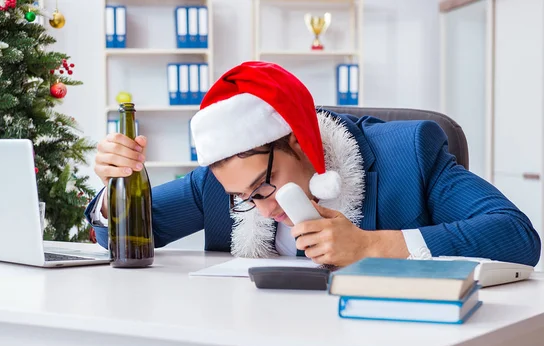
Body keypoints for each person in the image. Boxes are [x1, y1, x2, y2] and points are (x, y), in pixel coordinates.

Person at [86, 61, 541, 267]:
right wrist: (114, 190)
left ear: (301, 145)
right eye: (242, 197)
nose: (260, 208)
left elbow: (516, 235)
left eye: (265, 187)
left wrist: (369, 246)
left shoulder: (410, 155)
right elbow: (121, 233)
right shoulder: (223, 182)